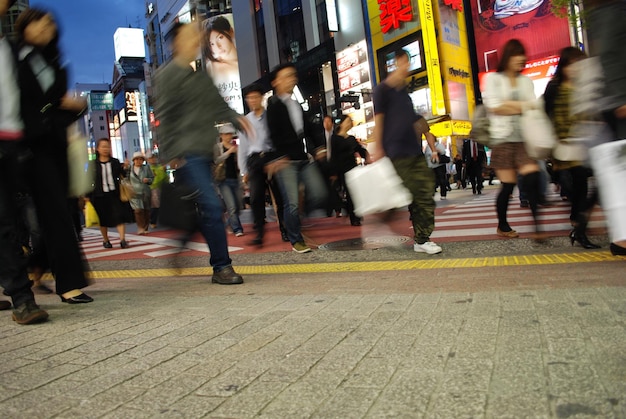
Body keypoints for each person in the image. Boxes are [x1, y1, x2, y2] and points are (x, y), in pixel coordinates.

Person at [154, 21, 253, 285]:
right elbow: (164, 116)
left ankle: (181, 244)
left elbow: (218, 106)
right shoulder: (166, 75)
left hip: (204, 152)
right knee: (211, 204)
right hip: (186, 155)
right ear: (176, 43)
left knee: (202, 209)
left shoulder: (200, 75)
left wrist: (236, 116)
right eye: (190, 37)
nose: (196, 41)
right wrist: (171, 153)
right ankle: (222, 267)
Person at [16, 7, 92, 304]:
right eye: (38, 23)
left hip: (53, 147)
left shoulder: (56, 63)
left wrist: (78, 107)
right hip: (23, 146)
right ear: (24, 26)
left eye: (49, 24)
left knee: (59, 215)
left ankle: (47, 273)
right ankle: (39, 275)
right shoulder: (13, 57)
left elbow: (60, 106)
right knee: (32, 218)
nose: (44, 29)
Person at [0, 0, 48, 323]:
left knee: (10, 223)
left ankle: (19, 292)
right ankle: (21, 296)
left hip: (12, 144)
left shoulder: (9, 48)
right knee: (5, 222)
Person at [372, 49, 443, 255]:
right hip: (396, 152)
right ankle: (419, 237)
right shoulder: (382, 90)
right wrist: (378, 148)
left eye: (408, 62)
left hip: (414, 150)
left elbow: (414, 120)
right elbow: (379, 121)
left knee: (424, 190)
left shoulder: (404, 93)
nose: (407, 66)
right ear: (395, 63)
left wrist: (429, 135)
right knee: (412, 194)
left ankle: (420, 237)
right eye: (403, 62)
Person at [482, 39, 544, 240]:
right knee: (508, 186)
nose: (522, 60)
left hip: (525, 138)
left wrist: (510, 105)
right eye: (518, 55)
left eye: (523, 56)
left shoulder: (526, 81)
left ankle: (538, 228)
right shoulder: (493, 79)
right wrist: (522, 105)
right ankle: (503, 225)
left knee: (533, 177)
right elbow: (494, 106)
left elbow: (532, 105)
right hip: (502, 139)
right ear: (509, 56)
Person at [265, 63, 328, 253]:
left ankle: (299, 218)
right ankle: (296, 240)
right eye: (286, 76)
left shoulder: (296, 104)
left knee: (319, 193)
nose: (291, 79)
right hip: (285, 161)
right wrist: (277, 158)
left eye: (293, 75)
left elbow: (308, 128)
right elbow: (272, 135)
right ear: (276, 82)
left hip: (303, 157)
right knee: (291, 203)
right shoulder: (273, 106)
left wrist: (318, 148)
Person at [543, 46, 599, 249]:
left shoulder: (583, 86)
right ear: (564, 66)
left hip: (583, 143)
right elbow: (547, 116)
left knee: (583, 188)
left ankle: (578, 227)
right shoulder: (554, 87)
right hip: (562, 145)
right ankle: (579, 227)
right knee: (574, 188)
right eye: (572, 65)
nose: (575, 69)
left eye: (579, 65)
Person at [586, 0, 626, 256]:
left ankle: (620, 236)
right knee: (620, 171)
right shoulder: (613, 10)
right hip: (618, 102)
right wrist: (621, 96)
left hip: (615, 100)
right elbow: (610, 52)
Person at [237, 83, 288, 246]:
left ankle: (285, 229)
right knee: (256, 198)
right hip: (254, 161)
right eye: (249, 98)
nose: (252, 100)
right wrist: (244, 170)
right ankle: (259, 233)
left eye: (255, 97)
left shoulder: (271, 116)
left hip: (271, 157)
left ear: (261, 98)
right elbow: (242, 148)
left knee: (279, 197)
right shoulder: (245, 121)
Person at [89, 138, 132, 249]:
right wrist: (87, 197)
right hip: (99, 195)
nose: (105, 149)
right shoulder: (93, 164)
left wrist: (125, 167)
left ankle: (122, 240)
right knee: (103, 219)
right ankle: (106, 240)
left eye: (107, 146)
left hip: (115, 194)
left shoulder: (115, 162)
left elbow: (123, 175)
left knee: (119, 216)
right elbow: (89, 180)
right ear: (98, 149)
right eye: (103, 146)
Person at [329, 115, 371, 225]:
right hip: (342, 169)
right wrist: (333, 172)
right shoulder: (335, 138)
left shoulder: (351, 138)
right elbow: (333, 156)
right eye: (347, 121)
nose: (349, 124)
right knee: (349, 193)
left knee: (356, 191)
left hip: (353, 167)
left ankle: (357, 215)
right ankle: (354, 217)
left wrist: (367, 157)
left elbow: (359, 150)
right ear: (342, 123)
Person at [213, 123, 244, 236]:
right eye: (226, 134)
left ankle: (228, 224)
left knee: (238, 206)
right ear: (221, 135)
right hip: (223, 180)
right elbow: (216, 160)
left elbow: (240, 163)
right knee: (231, 206)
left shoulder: (236, 147)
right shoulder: (218, 147)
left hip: (235, 178)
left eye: (230, 134)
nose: (228, 136)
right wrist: (228, 152)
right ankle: (237, 229)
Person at [203, 16, 238, 87]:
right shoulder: (210, 69)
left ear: (231, 32)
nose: (218, 46)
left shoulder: (249, 57)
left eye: (220, 38)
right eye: (212, 44)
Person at [127, 151, 154, 235]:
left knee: (146, 210)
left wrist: (148, 180)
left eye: (140, 159)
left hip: (145, 192)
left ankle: (145, 227)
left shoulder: (146, 168)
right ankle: (140, 227)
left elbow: (152, 178)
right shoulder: (129, 169)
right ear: (133, 160)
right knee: (138, 210)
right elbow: (125, 179)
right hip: (134, 193)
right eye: (137, 159)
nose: (138, 161)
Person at [147, 152, 167, 229]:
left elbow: (165, 177)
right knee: (155, 206)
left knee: (163, 205)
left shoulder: (160, 167)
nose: (153, 159)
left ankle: (162, 220)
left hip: (162, 188)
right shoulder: (148, 168)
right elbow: (154, 179)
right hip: (152, 188)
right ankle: (153, 221)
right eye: (151, 158)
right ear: (148, 160)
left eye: (154, 158)